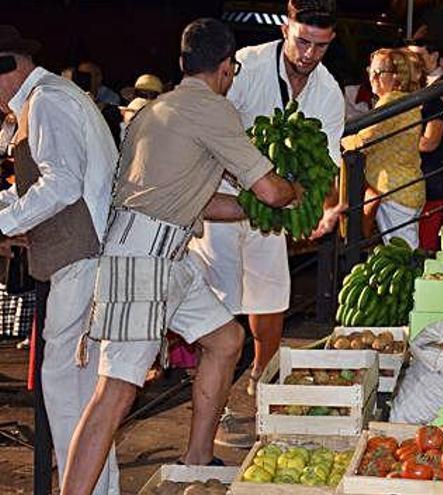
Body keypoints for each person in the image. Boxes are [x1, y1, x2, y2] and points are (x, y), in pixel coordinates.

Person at [60, 18, 304, 495]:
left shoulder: (157, 110)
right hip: (142, 262)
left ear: (182, 63)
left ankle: (196, 461)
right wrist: (295, 193)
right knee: (114, 394)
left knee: (228, 340)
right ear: (228, 69)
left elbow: (199, 202)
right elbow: (271, 190)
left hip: (168, 256)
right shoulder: (214, 110)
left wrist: (256, 207)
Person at [188, 1, 345, 436]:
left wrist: (321, 206)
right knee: (218, 299)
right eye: (303, 41)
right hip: (219, 195)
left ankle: (260, 383)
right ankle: (213, 394)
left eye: (321, 46)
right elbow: (208, 123)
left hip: (279, 202)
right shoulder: (246, 65)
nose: (310, 54)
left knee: (272, 293)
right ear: (285, 28)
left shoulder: (328, 92)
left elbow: (327, 163)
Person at [0, 25, 120, 495]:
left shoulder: (47, 101)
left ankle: (80, 487)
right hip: (80, 257)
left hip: (83, 257)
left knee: (66, 386)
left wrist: (6, 223)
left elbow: (63, 183)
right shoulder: (46, 97)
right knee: (84, 389)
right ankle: (95, 488)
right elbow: (39, 185)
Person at [342, 48, 424, 248]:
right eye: (372, 70)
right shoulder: (403, 100)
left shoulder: (391, 101)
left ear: (396, 76)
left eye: (380, 72)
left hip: (396, 191)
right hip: (403, 189)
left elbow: (364, 140)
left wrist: (340, 139)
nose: (373, 77)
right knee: (399, 251)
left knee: (402, 254)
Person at [407, 39, 443, 251]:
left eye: (415, 59)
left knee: (425, 245)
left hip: (429, 184)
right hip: (408, 185)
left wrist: (398, 142)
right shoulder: (406, 99)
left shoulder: (433, 100)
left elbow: (430, 142)